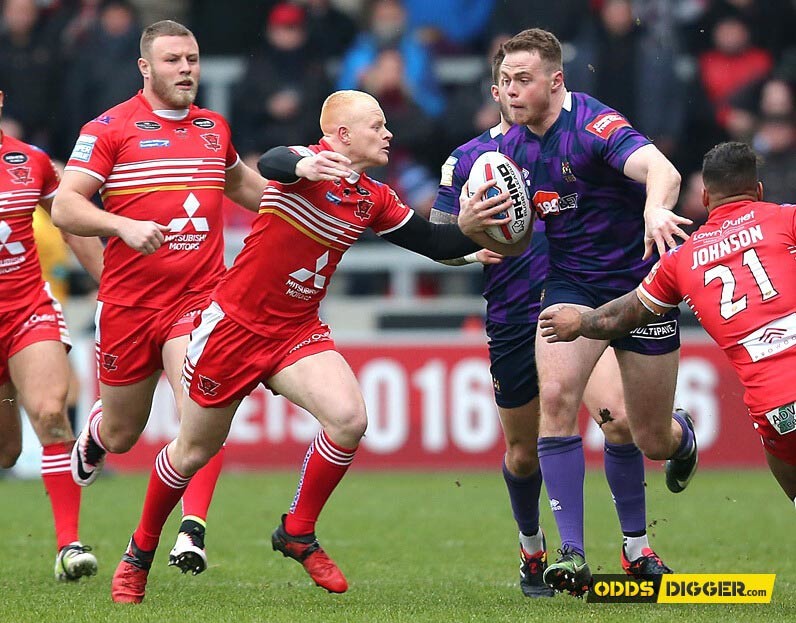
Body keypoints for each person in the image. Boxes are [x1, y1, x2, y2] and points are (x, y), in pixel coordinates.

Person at [107, 89, 521, 603]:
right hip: (233, 329)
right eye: (376, 125)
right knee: (193, 452)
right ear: (342, 134)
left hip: (296, 329)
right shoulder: (302, 164)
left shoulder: (373, 196)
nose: (387, 133)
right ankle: (138, 553)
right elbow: (277, 162)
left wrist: (469, 227)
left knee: (349, 419)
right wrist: (308, 167)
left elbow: (431, 242)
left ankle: (297, 531)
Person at [460, 28, 698, 596]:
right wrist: (471, 230)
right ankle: (572, 552)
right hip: (570, 285)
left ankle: (680, 436)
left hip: (640, 291)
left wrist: (655, 213)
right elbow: (508, 238)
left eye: (524, 80)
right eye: (505, 83)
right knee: (559, 401)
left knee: (646, 437)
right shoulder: (506, 153)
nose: (511, 93)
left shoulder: (595, 126)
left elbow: (663, 171)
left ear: (556, 81)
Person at [51, 19, 268, 579]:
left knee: (204, 406)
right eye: (173, 60)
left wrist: (317, 202)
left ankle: (191, 532)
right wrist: (119, 226)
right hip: (127, 306)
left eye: (192, 59)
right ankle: (96, 435)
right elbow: (67, 206)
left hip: (197, 299)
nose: (187, 70)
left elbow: (247, 187)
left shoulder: (213, 129)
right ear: (146, 68)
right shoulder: (109, 128)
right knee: (125, 433)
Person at [539, 141, 796, 504]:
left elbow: (624, 315)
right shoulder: (786, 218)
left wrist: (579, 323)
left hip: (774, 405)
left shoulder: (680, 260)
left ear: (705, 197)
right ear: (758, 191)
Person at [0, 88, 104, 581]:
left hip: (27, 310)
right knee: (7, 452)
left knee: (49, 411)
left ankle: (69, 546)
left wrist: (113, 285)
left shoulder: (31, 162)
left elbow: (73, 221)